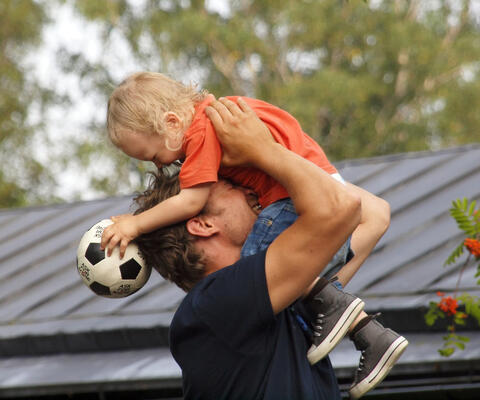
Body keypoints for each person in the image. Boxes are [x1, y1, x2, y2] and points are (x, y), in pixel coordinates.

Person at [101, 72, 407, 398]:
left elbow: (373, 214)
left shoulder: (291, 299)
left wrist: (266, 151)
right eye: (233, 185)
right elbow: (345, 207)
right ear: (202, 223)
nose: (251, 191)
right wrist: (264, 151)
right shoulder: (215, 306)